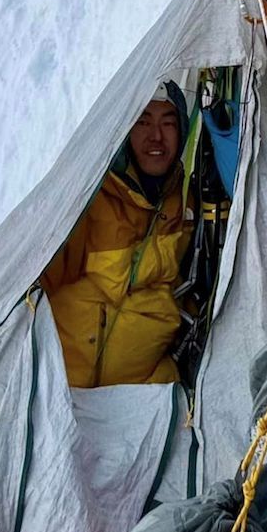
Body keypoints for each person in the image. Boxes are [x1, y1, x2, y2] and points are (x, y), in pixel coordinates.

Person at [41, 81, 193, 388]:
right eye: (143, 122)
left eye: (168, 123)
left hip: (144, 390)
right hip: (65, 389)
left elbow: (183, 289)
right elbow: (39, 281)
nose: (156, 136)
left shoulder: (184, 201)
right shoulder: (93, 198)